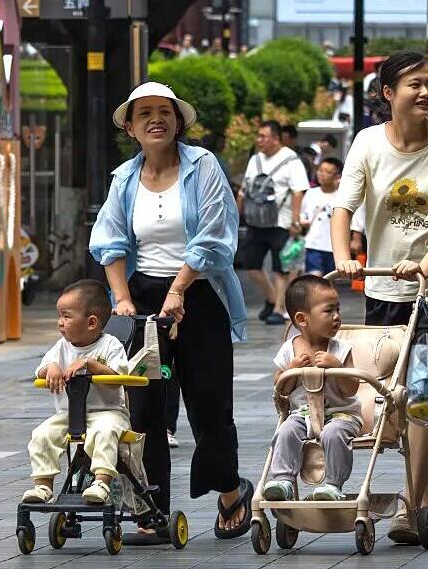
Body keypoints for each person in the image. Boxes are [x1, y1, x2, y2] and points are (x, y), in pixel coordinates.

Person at [89, 81, 250, 540]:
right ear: (131, 128)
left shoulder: (204, 166)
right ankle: (151, 507)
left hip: (198, 294)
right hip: (141, 299)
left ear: (179, 122)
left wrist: (179, 290)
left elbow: (214, 236)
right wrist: (121, 298)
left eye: (165, 111)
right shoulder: (124, 178)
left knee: (208, 402)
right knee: (143, 409)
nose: (156, 119)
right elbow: (110, 241)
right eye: (145, 114)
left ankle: (228, 490)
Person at [331, 51, 428, 544]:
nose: (426, 92)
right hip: (382, 288)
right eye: (414, 84)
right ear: (388, 94)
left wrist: (425, 266)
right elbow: (343, 206)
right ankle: (425, 504)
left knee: (421, 393)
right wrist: (343, 254)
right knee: (393, 399)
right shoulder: (368, 143)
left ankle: (412, 506)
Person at [24, 280, 130, 505]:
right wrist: (51, 369)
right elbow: (43, 368)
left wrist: (90, 365)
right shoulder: (62, 346)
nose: (60, 323)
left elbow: (117, 377)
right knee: (42, 434)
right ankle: (43, 485)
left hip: (107, 412)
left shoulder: (111, 346)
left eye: (66, 316)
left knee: (104, 432)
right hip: (69, 415)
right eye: (59, 316)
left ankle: (101, 482)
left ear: (91, 322)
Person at [264, 275, 360, 502]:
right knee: (286, 430)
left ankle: (333, 484)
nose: (337, 317)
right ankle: (282, 480)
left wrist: (337, 367)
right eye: (329, 311)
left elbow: (351, 389)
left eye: (338, 309)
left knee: (333, 434)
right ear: (302, 319)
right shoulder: (290, 348)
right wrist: (290, 370)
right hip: (303, 414)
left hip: (341, 414)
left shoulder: (341, 349)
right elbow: (281, 388)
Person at [239, 120, 311, 325]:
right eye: (258, 136)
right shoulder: (255, 159)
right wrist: (238, 212)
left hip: (282, 222)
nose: (259, 140)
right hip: (255, 221)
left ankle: (279, 309)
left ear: (276, 139)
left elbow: (298, 191)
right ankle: (272, 299)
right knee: (251, 266)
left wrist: (295, 220)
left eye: (263, 136)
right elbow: (245, 189)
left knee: (281, 269)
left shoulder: (291, 160)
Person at [300, 158, 344, 276]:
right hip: (313, 244)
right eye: (320, 170)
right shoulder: (311, 193)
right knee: (315, 278)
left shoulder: (341, 196)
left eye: (328, 172)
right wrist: (302, 221)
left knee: (330, 280)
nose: (322, 174)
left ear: (337, 176)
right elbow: (302, 213)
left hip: (334, 247)